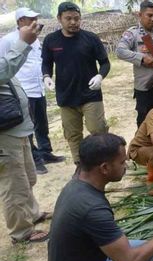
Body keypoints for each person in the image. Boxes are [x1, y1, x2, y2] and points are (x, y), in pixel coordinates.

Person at [48, 133, 153, 261]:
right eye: (122, 162)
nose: (126, 166)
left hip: (94, 259)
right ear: (104, 168)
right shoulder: (92, 209)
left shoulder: (77, 183)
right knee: (147, 259)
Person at [41, 2, 110, 165]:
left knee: (97, 130)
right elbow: (46, 63)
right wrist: (46, 76)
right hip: (66, 96)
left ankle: (104, 160)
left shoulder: (91, 38)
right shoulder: (51, 40)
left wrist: (100, 76)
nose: (73, 22)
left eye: (76, 18)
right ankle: (80, 165)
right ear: (59, 19)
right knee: (72, 134)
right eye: (68, 18)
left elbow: (105, 63)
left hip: (91, 94)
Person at [0, 21, 50, 244]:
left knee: (26, 177)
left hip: (16, 127)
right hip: (4, 133)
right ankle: (21, 232)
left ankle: (31, 214)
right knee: (13, 183)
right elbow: (3, 71)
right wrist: (23, 42)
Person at [0, 8, 65, 175]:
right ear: (20, 21)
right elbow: (4, 67)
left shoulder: (34, 38)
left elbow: (39, 61)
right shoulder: (8, 40)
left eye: (36, 18)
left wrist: (45, 78)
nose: (36, 21)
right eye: (31, 19)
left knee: (41, 124)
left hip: (38, 88)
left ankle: (45, 152)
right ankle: (34, 159)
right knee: (27, 127)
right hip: (23, 89)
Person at [117, 0, 153, 128]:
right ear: (140, 15)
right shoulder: (132, 34)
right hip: (145, 88)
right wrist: (142, 58)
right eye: (149, 15)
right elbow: (120, 51)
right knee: (145, 122)